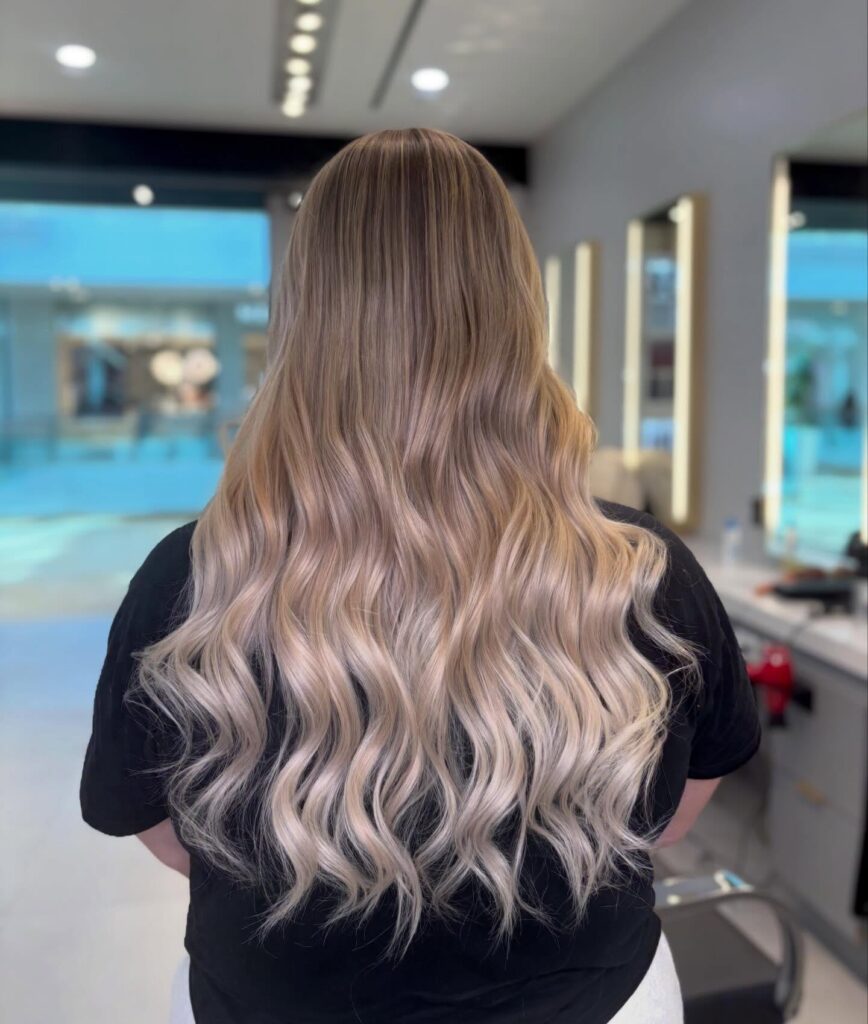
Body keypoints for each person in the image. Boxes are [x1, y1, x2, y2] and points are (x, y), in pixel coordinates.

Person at [80, 128, 761, 1024]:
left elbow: (165, 831)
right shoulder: (639, 572)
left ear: (307, 312)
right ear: (517, 303)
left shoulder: (194, 576)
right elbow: (674, 810)